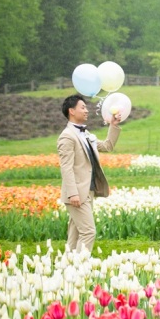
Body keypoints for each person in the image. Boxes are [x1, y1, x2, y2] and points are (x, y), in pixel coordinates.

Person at [58, 94, 122, 254]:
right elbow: (66, 168)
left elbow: (107, 146)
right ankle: (81, 268)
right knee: (88, 232)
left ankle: (66, 268)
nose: (87, 110)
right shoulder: (67, 136)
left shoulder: (85, 135)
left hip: (87, 191)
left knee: (75, 235)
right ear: (71, 111)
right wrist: (73, 194)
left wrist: (113, 125)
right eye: (83, 107)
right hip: (77, 194)